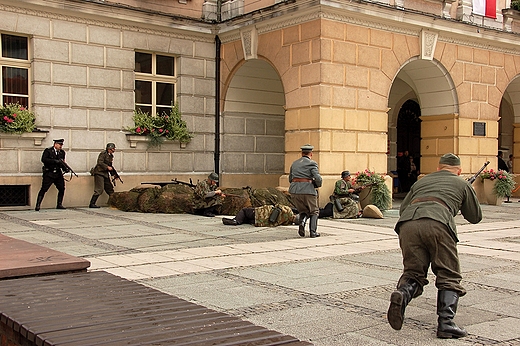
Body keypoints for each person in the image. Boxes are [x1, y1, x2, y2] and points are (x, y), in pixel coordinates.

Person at [387, 153, 482, 339]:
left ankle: (402, 295)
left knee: (413, 272)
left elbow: (403, 209)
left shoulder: (422, 182)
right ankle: (446, 323)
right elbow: (475, 217)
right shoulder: (461, 183)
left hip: (408, 224)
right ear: (459, 170)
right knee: (449, 274)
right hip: (438, 223)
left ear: (438, 168)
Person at [289, 144, 322, 238]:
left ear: (301, 153)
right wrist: (317, 185)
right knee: (314, 211)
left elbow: (290, 178)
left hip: (294, 190)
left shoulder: (294, 163)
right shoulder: (312, 163)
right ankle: (313, 232)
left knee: (303, 210)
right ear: (311, 153)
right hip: (308, 190)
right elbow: (318, 178)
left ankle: (302, 223)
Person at [35, 138, 68, 211]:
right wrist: (54, 161)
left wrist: (65, 168)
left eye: (61, 145)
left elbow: (62, 162)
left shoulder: (62, 152)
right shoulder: (48, 151)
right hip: (49, 173)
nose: (60, 146)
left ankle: (59, 204)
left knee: (62, 188)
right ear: (55, 144)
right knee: (44, 189)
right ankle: (38, 205)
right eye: (59, 145)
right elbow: (44, 160)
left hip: (58, 174)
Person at [89, 143, 117, 208]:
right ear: (109, 149)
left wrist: (114, 174)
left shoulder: (111, 156)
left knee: (110, 189)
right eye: (113, 149)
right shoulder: (103, 154)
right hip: (99, 173)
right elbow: (100, 162)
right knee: (99, 189)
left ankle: (113, 203)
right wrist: (107, 167)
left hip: (105, 174)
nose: (114, 150)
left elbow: (111, 166)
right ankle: (92, 203)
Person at [222, 204, 295, 226]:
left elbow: (278, 205)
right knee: (247, 219)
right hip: (261, 223)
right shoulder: (288, 222)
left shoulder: (288, 210)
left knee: (244, 210)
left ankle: (235, 220)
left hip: (261, 213)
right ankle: (239, 220)